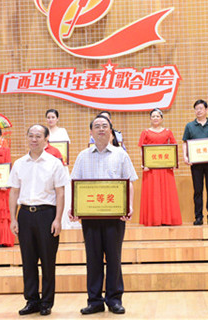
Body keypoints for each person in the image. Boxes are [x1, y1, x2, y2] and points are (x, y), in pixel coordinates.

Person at [70, 115, 138, 315]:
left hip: (114, 216)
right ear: (91, 132)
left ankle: (114, 299)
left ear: (111, 131)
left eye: (105, 126)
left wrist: (129, 206)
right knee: (93, 259)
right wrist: (73, 208)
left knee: (114, 258)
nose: (101, 129)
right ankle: (94, 301)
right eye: (97, 126)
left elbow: (129, 182)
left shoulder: (121, 154)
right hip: (90, 217)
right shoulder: (83, 156)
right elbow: (75, 184)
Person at [8, 125, 68, 316]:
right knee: (28, 260)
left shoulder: (54, 163)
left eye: (38, 136)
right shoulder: (19, 163)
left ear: (46, 139)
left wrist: (58, 219)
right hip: (25, 214)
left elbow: (60, 193)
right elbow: (14, 192)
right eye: (31, 136)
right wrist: (13, 218)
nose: (34, 139)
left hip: (47, 214)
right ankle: (32, 300)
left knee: (48, 261)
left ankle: (47, 302)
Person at [182, 99, 208, 226]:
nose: (198, 111)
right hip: (196, 164)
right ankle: (198, 217)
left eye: (201, 108)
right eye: (196, 109)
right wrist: (185, 156)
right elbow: (185, 142)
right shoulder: (189, 126)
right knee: (198, 190)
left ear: (206, 110)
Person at [138, 108, 182, 226]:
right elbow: (142, 149)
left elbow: (173, 147)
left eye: (157, 116)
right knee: (153, 193)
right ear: (150, 119)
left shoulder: (168, 132)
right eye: (153, 116)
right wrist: (144, 163)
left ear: (162, 119)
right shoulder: (145, 132)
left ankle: (167, 219)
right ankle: (153, 219)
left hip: (165, 167)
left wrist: (174, 163)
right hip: (151, 168)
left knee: (166, 193)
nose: (155, 118)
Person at [45, 109, 80, 230]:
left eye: (53, 117)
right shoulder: (44, 132)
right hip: (47, 168)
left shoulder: (62, 131)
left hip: (62, 165)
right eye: (48, 117)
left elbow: (65, 149)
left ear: (57, 119)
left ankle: (65, 219)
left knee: (63, 190)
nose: (50, 119)